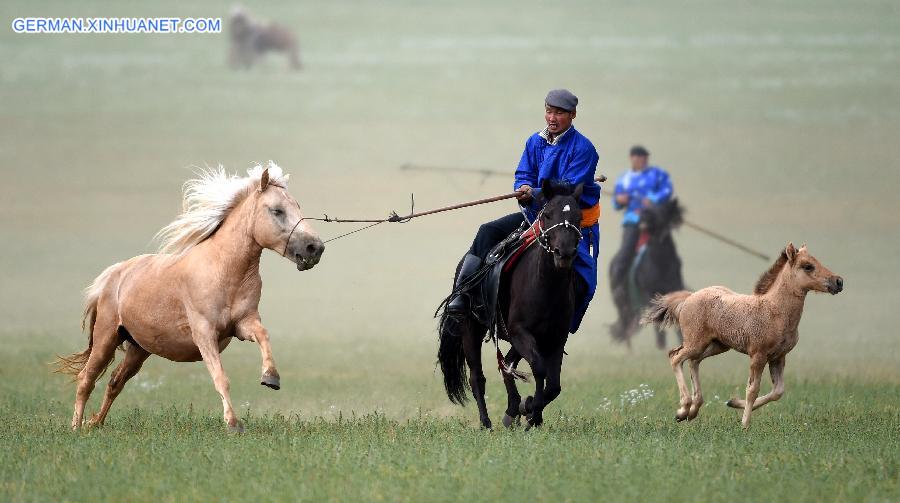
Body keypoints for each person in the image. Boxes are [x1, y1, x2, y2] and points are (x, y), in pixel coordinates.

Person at [446, 89, 601, 333]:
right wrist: (523, 187)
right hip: (538, 216)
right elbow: (523, 174)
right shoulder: (534, 142)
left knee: (587, 280)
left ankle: (562, 325)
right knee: (486, 232)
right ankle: (461, 296)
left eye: (559, 113)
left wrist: (537, 192)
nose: (552, 118)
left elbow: (569, 188)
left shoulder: (584, 149)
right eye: (549, 111)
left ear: (572, 114)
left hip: (571, 224)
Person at [609, 145, 673, 286]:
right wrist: (620, 200)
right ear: (632, 158)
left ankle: (676, 280)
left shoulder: (657, 174)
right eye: (639, 157)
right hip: (633, 220)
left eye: (644, 157)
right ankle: (618, 284)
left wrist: (653, 199)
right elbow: (616, 202)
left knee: (669, 251)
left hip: (655, 221)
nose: (642, 160)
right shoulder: (624, 179)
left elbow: (667, 190)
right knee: (626, 252)